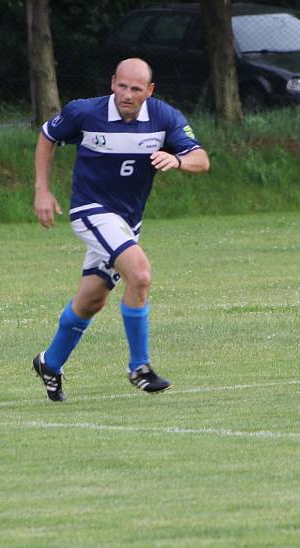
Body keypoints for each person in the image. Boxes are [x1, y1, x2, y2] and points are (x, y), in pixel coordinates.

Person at [31, 58, 210, 401]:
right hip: (91, 211)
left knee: (92, 300)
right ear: (113, 82)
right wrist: (42, 189)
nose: (127, 94)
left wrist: (177, 160)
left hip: (128, 222)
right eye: (122, 86)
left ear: (150, 91)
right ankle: (139, 367)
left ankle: (50, 363)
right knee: (140, 274)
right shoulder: (84, 112)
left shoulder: (164, 118)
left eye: (136, 89)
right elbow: (46, 136)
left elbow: (201, 159)